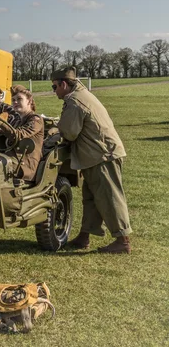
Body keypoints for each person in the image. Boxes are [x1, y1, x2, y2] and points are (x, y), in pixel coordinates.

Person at [51, 66, 132, 254]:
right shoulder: (81, 95)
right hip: (98, 155)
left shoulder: (75, 101)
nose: (54, 91)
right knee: (91, 197)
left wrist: (55, 131)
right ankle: (84, 236)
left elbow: (70, 133)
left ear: (64, 84)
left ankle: (123, 240)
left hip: (102, 156)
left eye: (54, 87)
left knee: (109, 197)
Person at [0, 85, 43, 181]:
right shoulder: (18, 121)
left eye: (19, 99)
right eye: (13, 100)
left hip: (24, 164)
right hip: (11, 159)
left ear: (29, 101)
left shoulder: (36, 120)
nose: (15, 102)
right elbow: (6, 137)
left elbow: (18, 135)